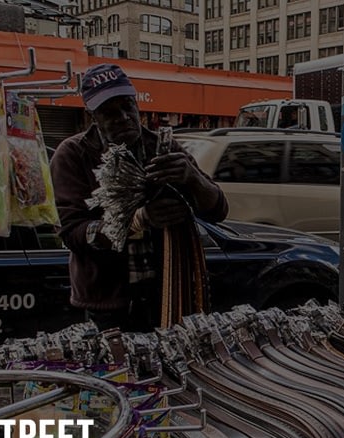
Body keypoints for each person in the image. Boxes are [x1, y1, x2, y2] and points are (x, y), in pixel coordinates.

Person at [50, 64, 228, 331]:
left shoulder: (161, 146)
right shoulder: (74, 155)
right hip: (108, 302)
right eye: (109, 113)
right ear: (93, 117)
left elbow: (218, 211)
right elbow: (72, 232)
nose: (123, 117)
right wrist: (138, 220)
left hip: (166, 294)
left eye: (127, 106)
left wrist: (193, 177)